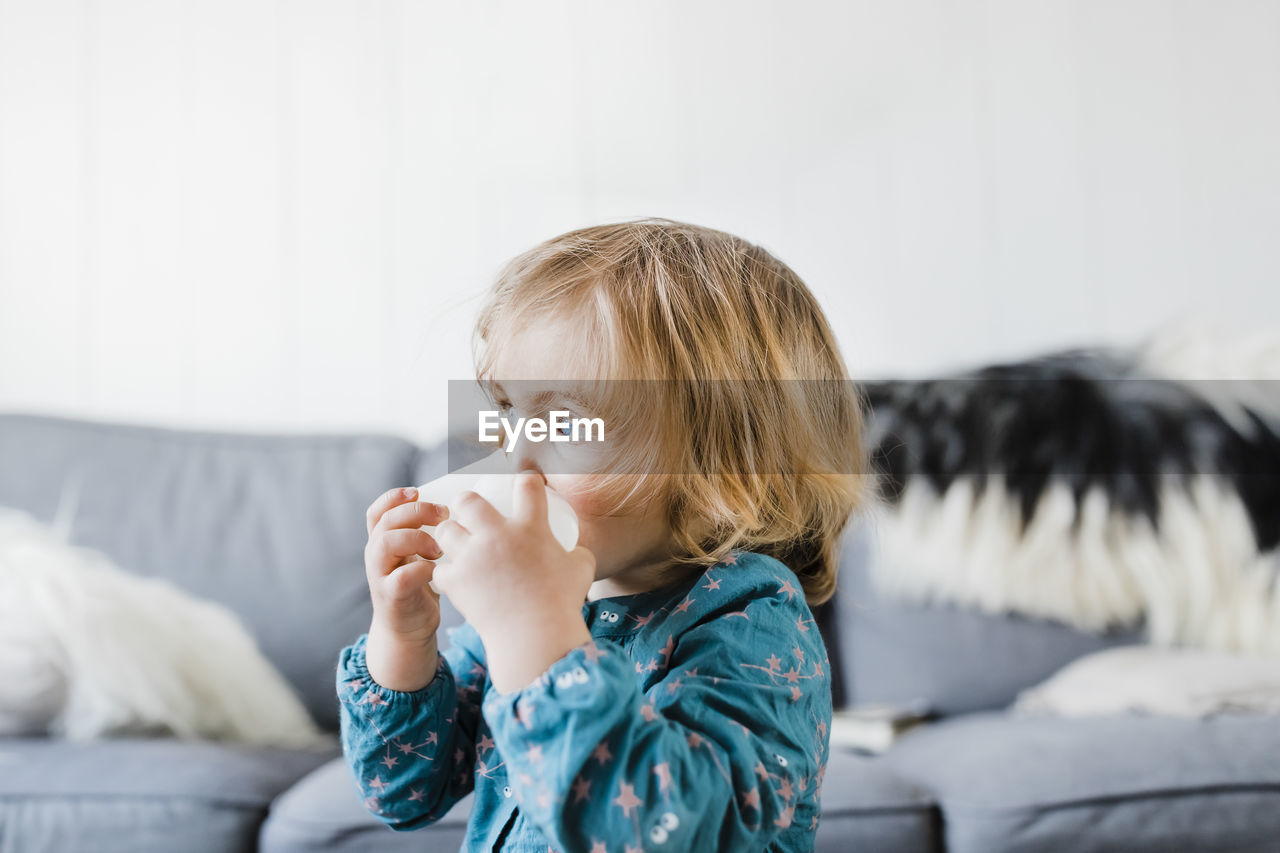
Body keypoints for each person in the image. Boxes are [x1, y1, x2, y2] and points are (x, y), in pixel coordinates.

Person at [336, 218, 869, 851]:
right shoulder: (528, 605)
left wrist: (533, 630)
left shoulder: (748, 620)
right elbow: (401, 791)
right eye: (508, 412)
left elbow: (654, 831)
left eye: (563, 423)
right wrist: (404, 636)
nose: (514, 456)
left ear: (715, 473)